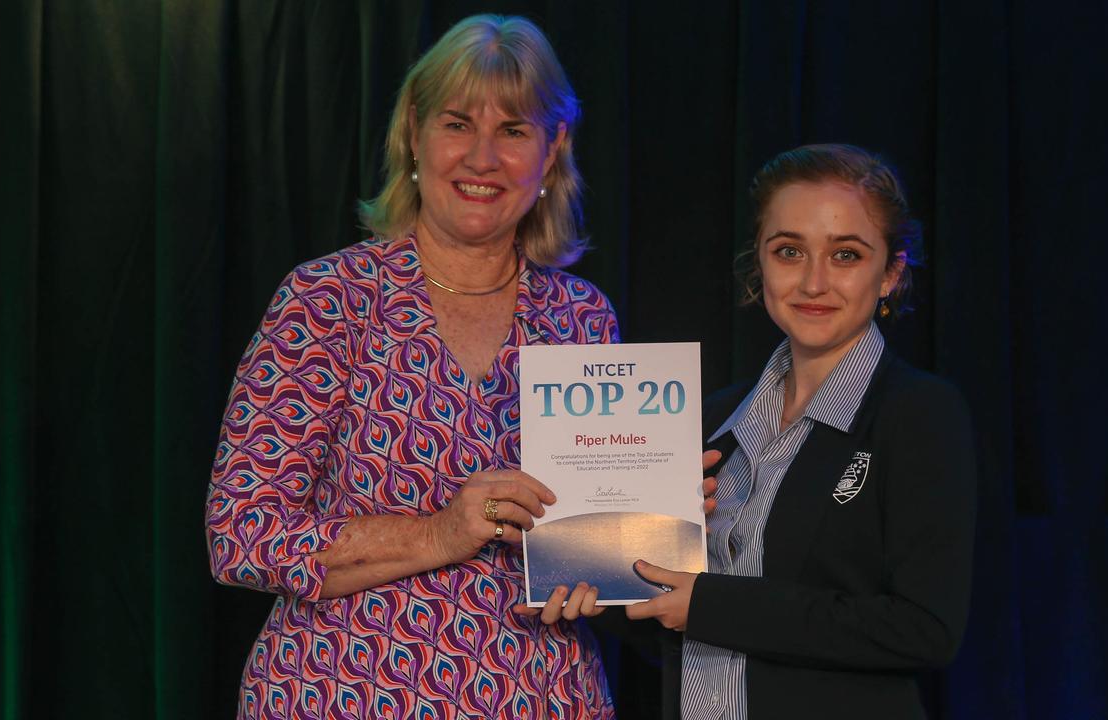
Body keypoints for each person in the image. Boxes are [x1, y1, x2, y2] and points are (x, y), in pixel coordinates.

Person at [206, 15, 621, 719]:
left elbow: (586, 544)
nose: (482, 159)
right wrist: (438, 531)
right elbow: (242, 534)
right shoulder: (327, 300)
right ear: (414, 137)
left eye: (515, 131)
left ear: (552, 155)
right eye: (458, 124)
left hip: (542, 698)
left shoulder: (583, 318)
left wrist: (632, 535)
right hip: (342, 695)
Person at [624, 144, 977, 719]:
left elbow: (924, 629)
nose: (814, 282)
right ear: (758, 263)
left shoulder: (919, 414)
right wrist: (587, 572)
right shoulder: (714, 418)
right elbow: (669, 621)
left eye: (846, 255)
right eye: (790, 251)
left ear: (891, 273)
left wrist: (712, 605)